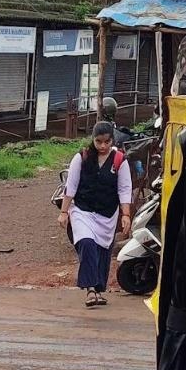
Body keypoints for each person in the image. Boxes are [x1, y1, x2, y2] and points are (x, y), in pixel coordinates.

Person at [59, 120, 132, 306]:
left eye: (107, 142)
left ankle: (99, 290)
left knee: (102, 251)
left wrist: (125, 214)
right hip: (82, 210)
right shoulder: (82, 157)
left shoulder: (119, 161)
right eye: (99, 141)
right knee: (86, 243)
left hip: (107, 214)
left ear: (112, 140)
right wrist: (64, 211)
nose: (103, 146)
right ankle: (90, 289)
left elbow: (124, 189)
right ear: (93, 140)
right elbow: (71, 186)